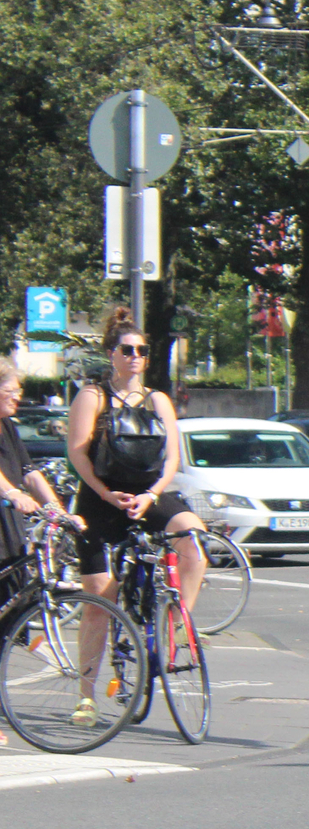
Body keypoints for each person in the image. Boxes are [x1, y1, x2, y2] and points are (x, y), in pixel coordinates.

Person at [68, 308, 207, 724]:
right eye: (126, 350)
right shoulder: (92, 396)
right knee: (99, 599)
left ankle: (176, 627)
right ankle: (87, 695)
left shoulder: (158, 400)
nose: (134, 357)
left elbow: (172, 460)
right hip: (101, 499)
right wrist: (107, 495)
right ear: (112, 354)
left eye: (141, 351)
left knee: (194, 541)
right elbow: (77, 452)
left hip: (147, 494)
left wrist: (151, 495)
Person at [0, 368, 79, 563]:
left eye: (18, 391)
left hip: (9, 525)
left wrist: (58, 511)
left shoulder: (7, 425)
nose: (17, 397)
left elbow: (28, 471)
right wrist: (12, 493)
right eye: (10, 391)